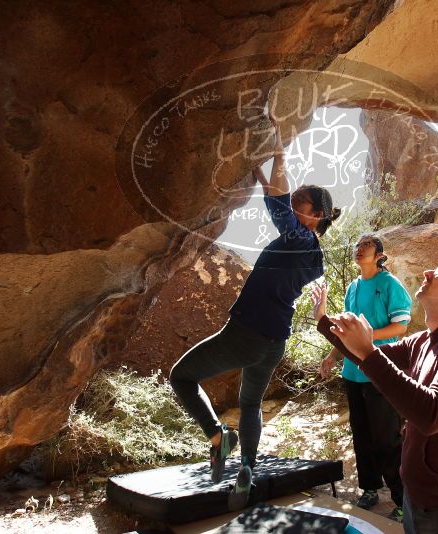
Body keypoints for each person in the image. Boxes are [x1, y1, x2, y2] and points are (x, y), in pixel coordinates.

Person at [169, 111, 341, 511]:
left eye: (302, 201)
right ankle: (246, 466)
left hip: (248, 335)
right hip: (273, 342)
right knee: (249, 404)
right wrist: (263, 176)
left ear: (316, 215)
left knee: (181, 376)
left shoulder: (301, 239)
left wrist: (280, 155)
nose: (293, 202)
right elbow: (277, 205)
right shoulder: (310, 251)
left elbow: (280, 210)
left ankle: (217, 436)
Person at [318, 257, 438, 534]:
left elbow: (432, 415)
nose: (428, 270)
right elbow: (366, 358)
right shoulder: (425, 340)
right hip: (416, 493)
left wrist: (369, 351)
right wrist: (324, 321)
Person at [313, 234, 411, 521]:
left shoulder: (389, 285)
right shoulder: (354, 287)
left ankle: (403, 499)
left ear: (380, 254)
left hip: (380, 370)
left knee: (387, 438)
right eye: (356, 246)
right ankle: (369, 488)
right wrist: (333, 356)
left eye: (365, 247)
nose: (359, 250)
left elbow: (400, 326)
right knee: (362, 434)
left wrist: (367, 338)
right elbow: (346, 330)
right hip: (353, 372)